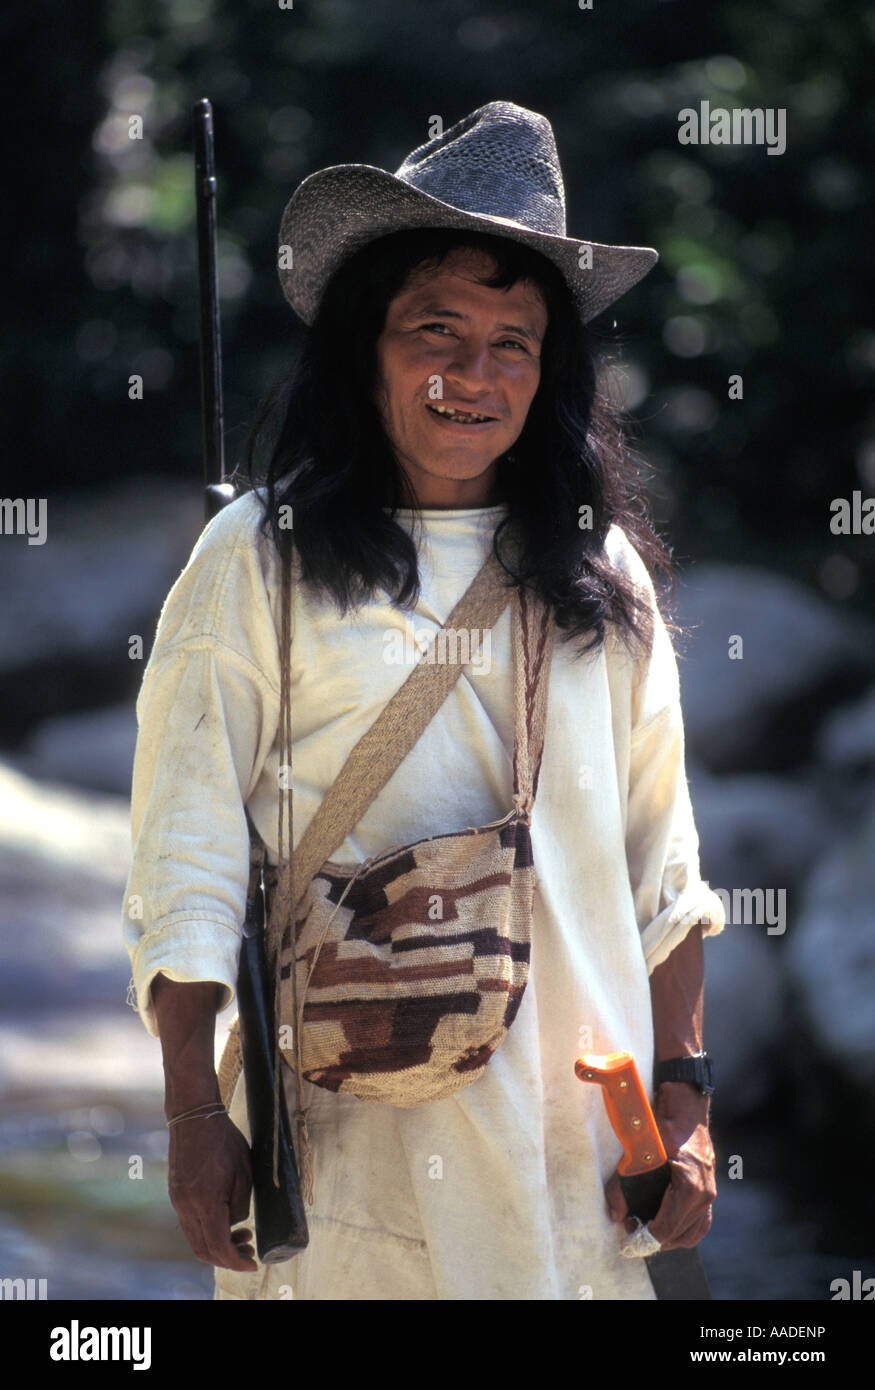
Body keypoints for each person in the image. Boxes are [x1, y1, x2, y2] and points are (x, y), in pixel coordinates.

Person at [123, 100, 726, 1300]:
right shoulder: (258, 557)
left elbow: (660, 867)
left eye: (513, 340)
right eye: (433, 330)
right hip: (341, 1134)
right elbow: (183, 850)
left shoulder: (596, 573)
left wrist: (686, 1101)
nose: (473, 373)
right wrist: (195, 1109)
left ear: (548, 369)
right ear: (364, 346)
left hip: (576, 1141)